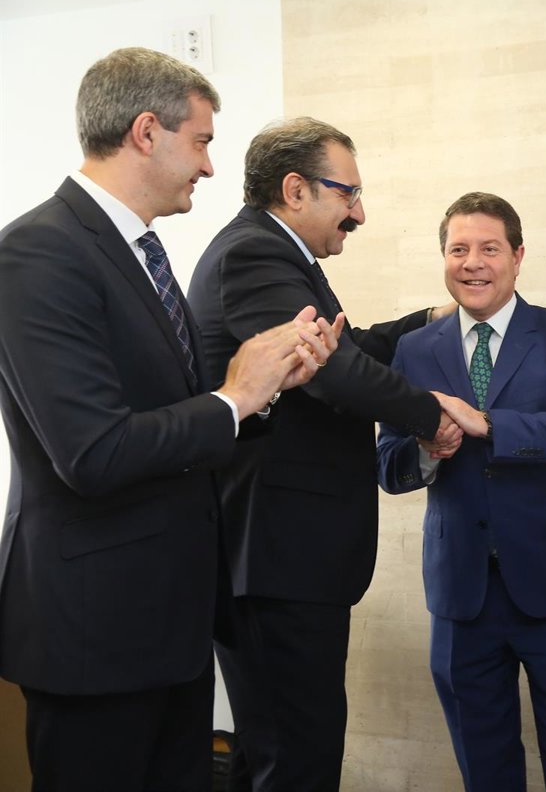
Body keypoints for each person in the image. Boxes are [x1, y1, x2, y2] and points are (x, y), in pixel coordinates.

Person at [0, 47, 340, 791]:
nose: (210, 167)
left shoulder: (142, 252)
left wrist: (267, 389)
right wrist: (234, 398)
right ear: (147, 131)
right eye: (202, 141)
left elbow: (171, 415)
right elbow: (93, 452)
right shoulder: (36, 253)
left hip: (171, 625)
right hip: (96, 634)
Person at [187, 116, 455, 791]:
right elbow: (333, 373)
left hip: (284, 559)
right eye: (349, 193)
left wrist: (422, 323)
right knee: (297, 758)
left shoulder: (277, 256)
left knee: (274, 753)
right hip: (275, 557)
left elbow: (343, 347)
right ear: (296, 189)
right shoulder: (255, 256)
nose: (359, 213)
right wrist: (434, 416)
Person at [377, 192, 546, 791]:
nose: (473, 263)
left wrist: (489, 425)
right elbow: (388, 465)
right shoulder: (413, 349)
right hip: (462, 593)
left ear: (517, 256)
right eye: (458, 249)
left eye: (489, 248)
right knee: (484, 766)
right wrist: (427, 451)